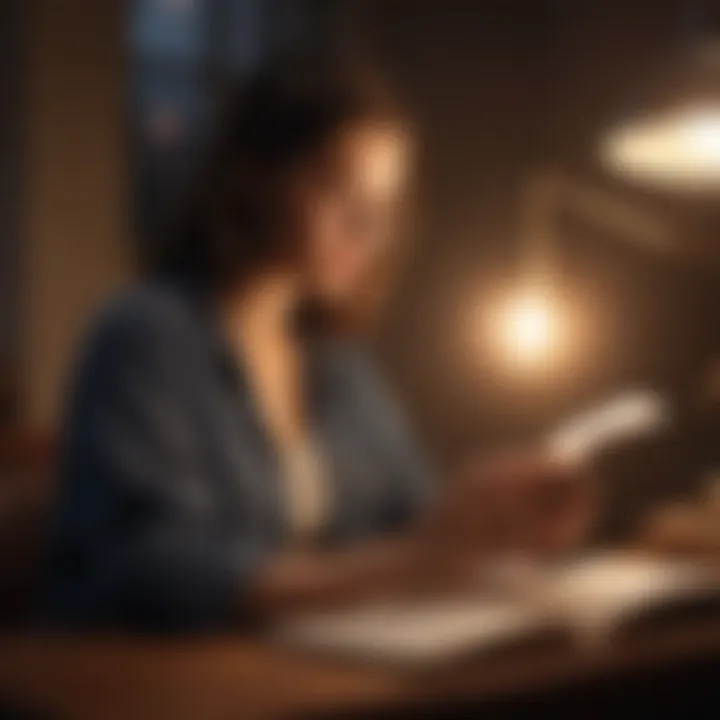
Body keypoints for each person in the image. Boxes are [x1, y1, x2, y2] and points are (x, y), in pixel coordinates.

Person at [45, 56, 592, 632]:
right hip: (142, 677)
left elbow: (408, 522)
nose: (369, 226)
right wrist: (403, 566)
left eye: (386, 201)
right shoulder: (147, 335)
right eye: (338, 188)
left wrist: (491, 512)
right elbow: (154, 567)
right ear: (253, 176)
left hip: (298, 666)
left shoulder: (335, 359)